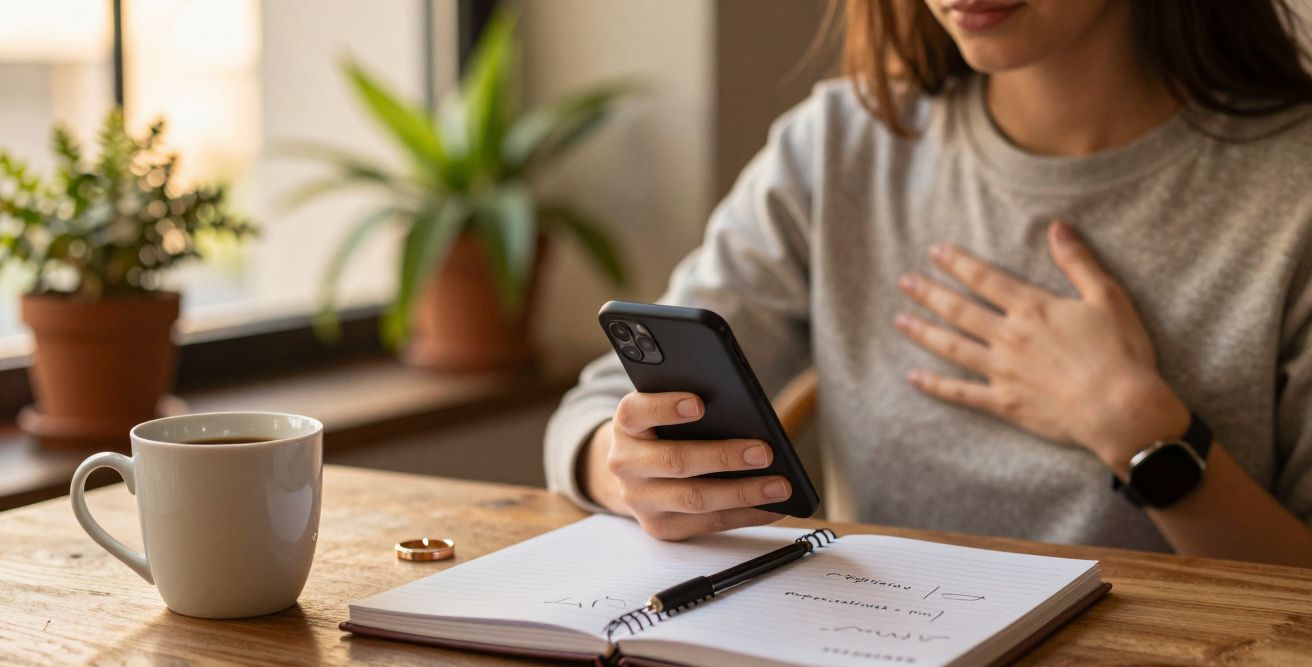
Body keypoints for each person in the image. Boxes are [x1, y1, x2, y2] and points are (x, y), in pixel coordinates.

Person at [544, 0, 1312, 567]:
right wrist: (625, 467)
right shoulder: (839, 147)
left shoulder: (1293, 190)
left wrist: (1139, 429)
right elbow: (589, 412)